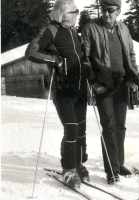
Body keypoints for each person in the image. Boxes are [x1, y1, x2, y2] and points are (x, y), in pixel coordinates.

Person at [25, 0, 89, 188]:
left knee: (81, 131)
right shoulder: (51, 30)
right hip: (62, 90)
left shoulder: (73, 32)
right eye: (74, 12)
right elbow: (31, 52)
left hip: (80, 90)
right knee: (72, 130)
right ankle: (68, 169)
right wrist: (54, 59)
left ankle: (78, 164)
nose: (77, 15)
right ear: (64, 14)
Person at [81, 0, 139, 184]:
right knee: (109, 127)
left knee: (120, 126)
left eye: (110, 10)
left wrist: (133, 77)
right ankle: (111, 170)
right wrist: (94, 82)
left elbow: (131, 53)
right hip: (104, 86)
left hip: (122, 84)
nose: (106, 14)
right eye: (104, 10)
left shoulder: (123, 28)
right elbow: (85, 58)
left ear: (118, 11)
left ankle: (119, 163)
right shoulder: (90, 29)